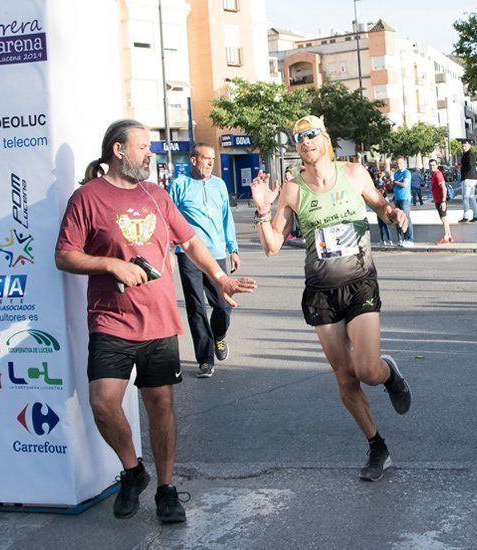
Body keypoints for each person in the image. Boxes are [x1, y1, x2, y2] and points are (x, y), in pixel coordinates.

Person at [55, 119, 256, 523]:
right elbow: (64, 254)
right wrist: (110, 264)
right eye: (144, 147)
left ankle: (166, 489)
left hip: (159, 321)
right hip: (110, 320)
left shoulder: (158, 195)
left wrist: (220, 278)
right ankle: (133, 471)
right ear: (118, 150)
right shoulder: (87, 198)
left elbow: (191, 241)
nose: (151, 154)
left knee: (160, 405)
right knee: (102, 403)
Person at [250, 115, 412, 482]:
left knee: (367, 371)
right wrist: (262, 210)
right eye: (297, 138)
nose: (304, 142)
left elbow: (381, 206)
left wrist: (394, 213)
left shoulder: (354, 173)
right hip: (321, 292)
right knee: (345, 379)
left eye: (310, 135)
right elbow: (273, 246)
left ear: (325, 138)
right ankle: (377, 447)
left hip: (360, 283)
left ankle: (388, 375)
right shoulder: (292, 191)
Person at [167, 144, 240, 379]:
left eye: (212, 159)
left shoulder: (219, 184)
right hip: (188, 254)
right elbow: (168, 220)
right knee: (196, 307)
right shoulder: (179, 185)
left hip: (216, 252)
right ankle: (205, 359)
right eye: (205, 158)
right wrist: (169, 249)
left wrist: (233, 248)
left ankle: (219, 335)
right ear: (193, 160)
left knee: (222, 305)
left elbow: (227, 218)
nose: (209, 162)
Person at [391, 156, 415, 247]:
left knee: (406, 218)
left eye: (400, 163)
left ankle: (410, 239)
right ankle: (402, 240)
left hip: (405, 199)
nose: (399, 165)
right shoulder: (396, 173)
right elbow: (394, 186)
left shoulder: (407, 172)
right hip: (397, 199)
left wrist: (394, 181)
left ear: (404, 163)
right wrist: (392, 182)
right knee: (398, 220)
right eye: (397, 163)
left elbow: (404, 184)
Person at [429, 159, 452, 245]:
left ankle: (446, 237)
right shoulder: (434, 174)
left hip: (440, 200)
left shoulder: (438, 174)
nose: (432, 167)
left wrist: (443, 201)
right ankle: (449, 236)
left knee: (444, 219)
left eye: (434, 165)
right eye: (430, 165)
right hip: (438, 200)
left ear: (437, 165)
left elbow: (444, 188)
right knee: (444, 218)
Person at [457, 141, 477, 223]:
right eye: (462, 146)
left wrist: (461, 168)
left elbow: (469, 166)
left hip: (468, 178)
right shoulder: (469, 154)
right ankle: (475, 216)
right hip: (471, 178)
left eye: (465, 146)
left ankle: (466, 217)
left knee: (466, 198)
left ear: (469, 145)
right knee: (471, 197)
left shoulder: (469, 154)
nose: (463, 147)